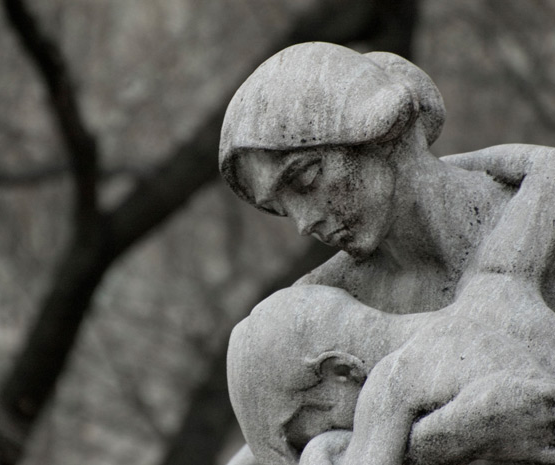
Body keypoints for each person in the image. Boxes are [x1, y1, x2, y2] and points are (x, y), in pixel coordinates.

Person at [219, 42, 555, 464]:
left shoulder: (535, 212)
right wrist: (449, 439)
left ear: (380, 132)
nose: (304, 223)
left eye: (305, 179)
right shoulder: (323, 305)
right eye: (281, 208)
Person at [228, 284, 555, 465]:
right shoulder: (467, 318)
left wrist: (324, 451)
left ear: (341, 371)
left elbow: (534, 404)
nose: (343, 433)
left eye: (318, 429)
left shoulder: (393, 382)